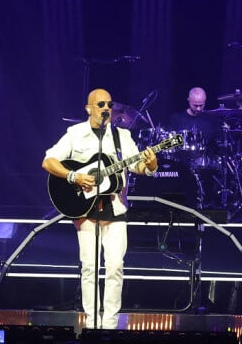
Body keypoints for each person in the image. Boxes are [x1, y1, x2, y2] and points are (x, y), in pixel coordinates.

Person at [42, 88, 158, 330]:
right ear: (89, 108)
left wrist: (151, 163)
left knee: (115, 267)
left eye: (109, 104)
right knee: (90, 268)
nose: (107, 108)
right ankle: (93, 325)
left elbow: (138, 166)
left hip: (115, 210)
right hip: (85, 210)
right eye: (101, 104)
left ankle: (110, 326)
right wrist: (74, 176)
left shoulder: (121, 136)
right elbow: (49, 160)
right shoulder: (75, 134)